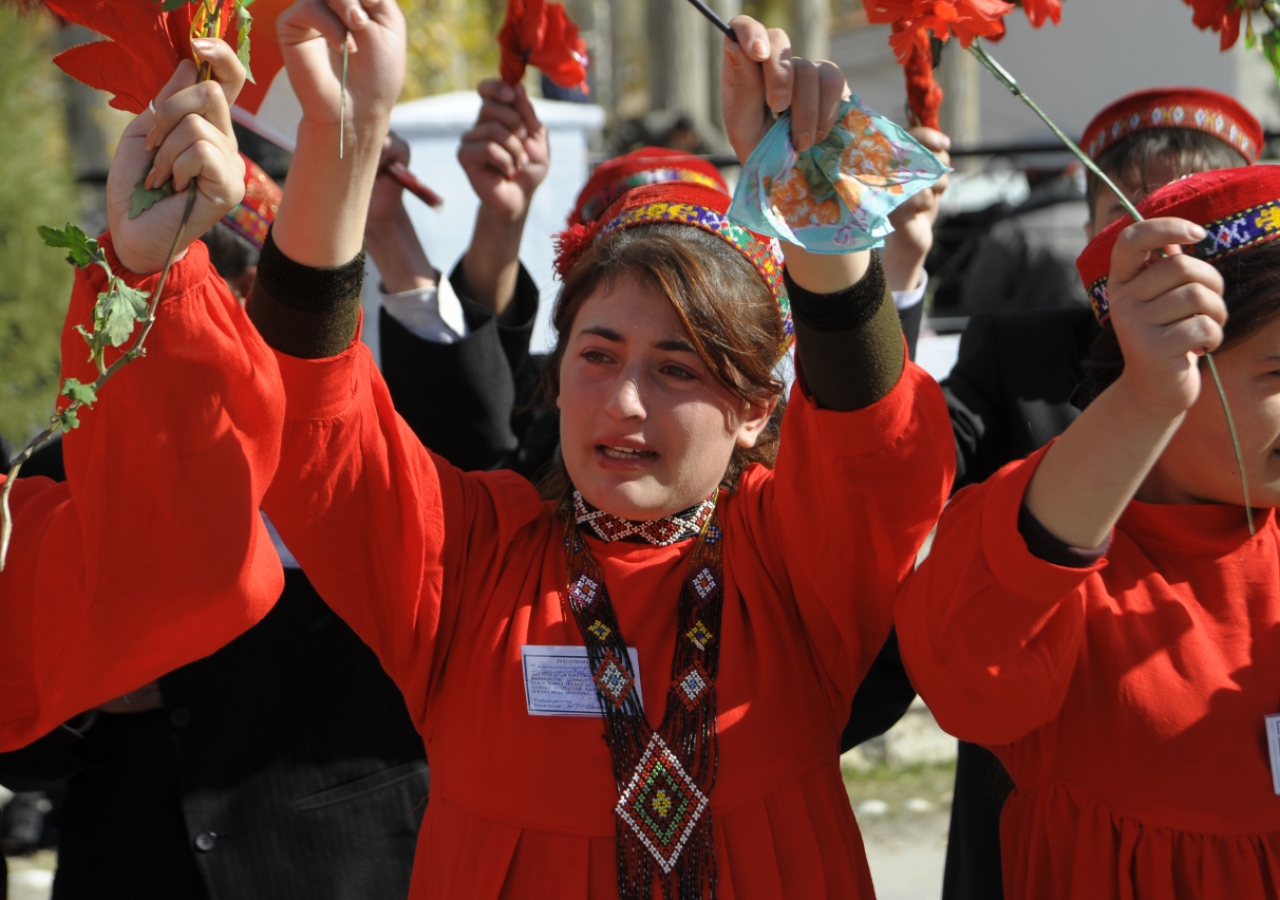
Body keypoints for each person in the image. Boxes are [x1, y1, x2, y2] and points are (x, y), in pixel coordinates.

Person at [1, 4, 954, 898]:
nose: (624, 400)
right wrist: (347, 133)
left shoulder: (790, 568)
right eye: (598, 354)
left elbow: (877, 452)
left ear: (753, 409)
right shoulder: (473, 562)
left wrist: (809, 184)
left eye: (678, 368)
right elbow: (320, 426)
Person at [900, 163, 1280, 898]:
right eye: (1278, 371)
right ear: (1176, 363)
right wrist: (1144, 403)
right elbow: (964, 670)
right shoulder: (1056, 546)